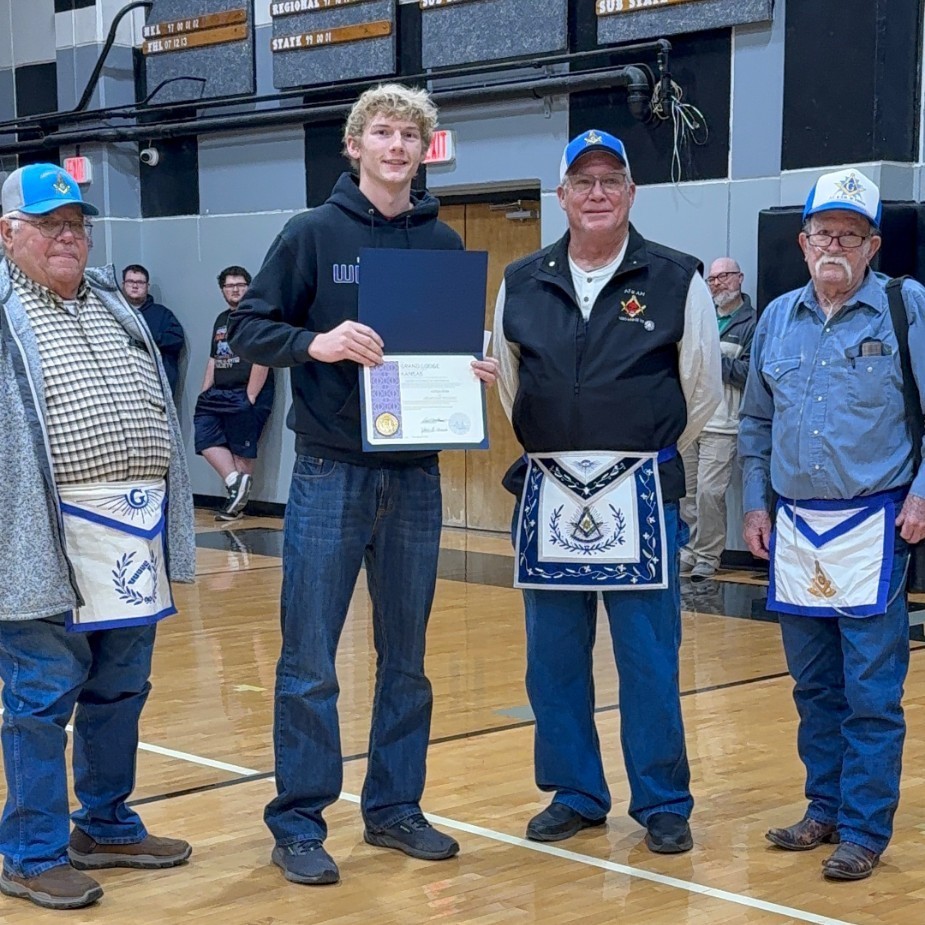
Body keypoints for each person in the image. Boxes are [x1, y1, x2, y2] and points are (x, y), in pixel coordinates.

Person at [226, 83, 499, 886]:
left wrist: (469, 371)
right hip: (330, 471)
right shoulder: (311, 232)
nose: (395, 146)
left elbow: (438, 348)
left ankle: (394, 808)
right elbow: (248, 327)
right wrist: (316, 342)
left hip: (415, 476)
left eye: (409, 135)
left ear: (424, 150)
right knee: (310, 657)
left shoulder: (442, 243)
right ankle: (298, 822)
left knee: (406, 658)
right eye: (381, 133)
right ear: (355, 146)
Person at [493, 130, 722, 854]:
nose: (597, 194)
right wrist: (564, 451)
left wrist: (634, 460)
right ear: (561, 196)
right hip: (550, 494)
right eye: (583, 182)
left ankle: (662, 800)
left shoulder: (677, 277)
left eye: (610, 181)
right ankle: (575, 792)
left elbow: (702, 392)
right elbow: (508, 384)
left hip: (641, 495)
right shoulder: (521, 280)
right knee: (553, 657)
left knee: (648, 656)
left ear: (630, 193)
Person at [0, 163, 196, 910]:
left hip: (131, 532)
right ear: (7, 233)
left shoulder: (115, 302)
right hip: (36, 537)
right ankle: (30, 853)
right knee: (42, 696)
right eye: (49, 224)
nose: (67, 237)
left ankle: (105, 825)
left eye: (76, 224)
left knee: (120, 689)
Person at [739, 168, 925, 881]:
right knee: (813, 686)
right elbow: (755, 423)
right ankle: (823, 806)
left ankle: (864, 828)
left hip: (875, 524)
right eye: (823, 233)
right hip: (794, 528)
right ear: (803, 241)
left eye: (850, 235)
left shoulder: (905, 309)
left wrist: (921, 495)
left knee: (870, 692)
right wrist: (754, 503)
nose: (834, 246)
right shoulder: (776, 318)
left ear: (872, 245)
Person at [680, 258, 757, 581]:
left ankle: (708, 556)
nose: (717, 283)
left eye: (724, 276)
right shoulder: (699, 317)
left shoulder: (752, 323)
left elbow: (750, 373)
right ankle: (688, 551)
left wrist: (713, 360)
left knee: (709, 493)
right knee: (686, 494)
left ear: (740, 278)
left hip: (724, 424)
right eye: (712, 279)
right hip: (690, 421)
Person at [193, 266, 274, 522]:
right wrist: (204, 391)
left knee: (241, 450)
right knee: (205, 438)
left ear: (249, 287)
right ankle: (235, 483)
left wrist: (251, 396)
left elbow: (263, 357)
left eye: (240, 285)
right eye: (229, 286)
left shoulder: (258, 317)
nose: (235, 290)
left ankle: (235, 506)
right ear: (222, 290)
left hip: (246, 393)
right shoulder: (221, 319)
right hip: (217, 393)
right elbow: (214, 357)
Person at [121, 264, 185, 397]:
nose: (135, 286)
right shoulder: (113, 314)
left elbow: (177, 340)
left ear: (147, 286)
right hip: (123, 385)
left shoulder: (162, 314)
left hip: (155, 386)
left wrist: (148, 337)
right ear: (123, 285)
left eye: (140, 282)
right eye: (130, 281)